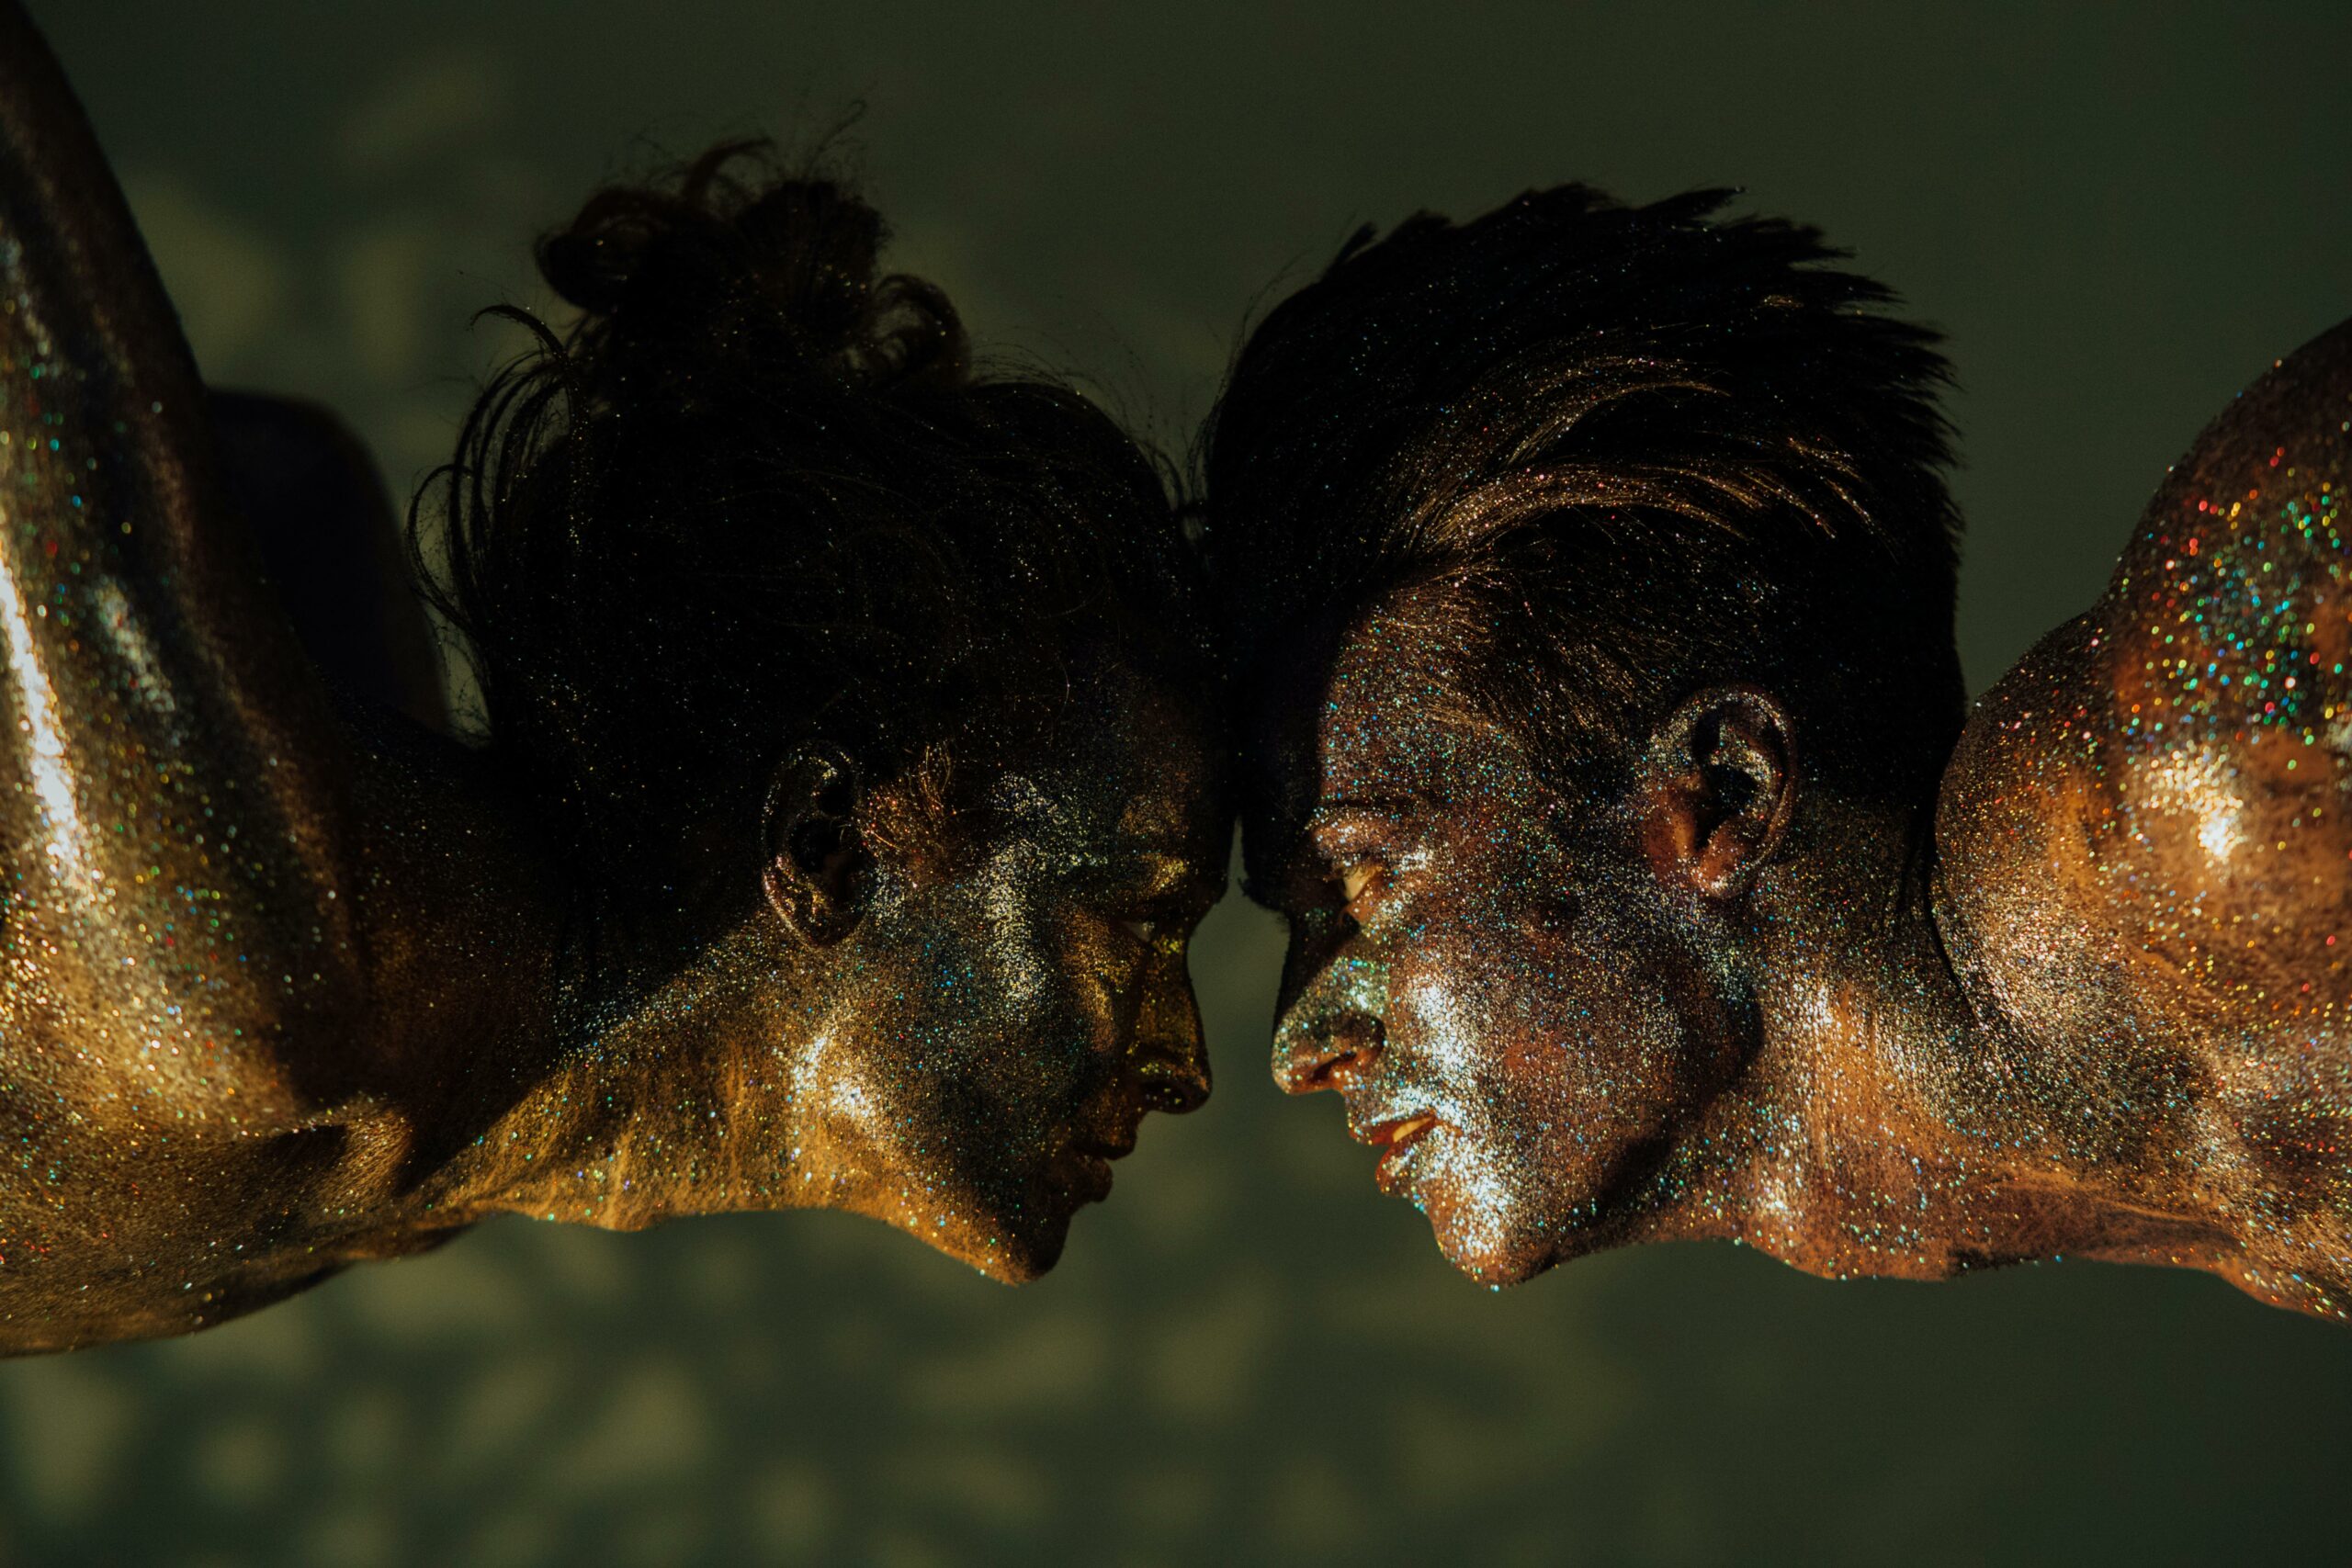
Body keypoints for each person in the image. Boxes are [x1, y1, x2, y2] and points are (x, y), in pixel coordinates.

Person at [0, 3, 1225, 1354]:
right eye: (1136, 916)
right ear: (825, 839)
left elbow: (290, 483)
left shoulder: (408, 1108)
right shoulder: (257, 972)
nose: (1187, 1064)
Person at [1205, 184, 2352, 1320]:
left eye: (1361, 884)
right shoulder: (2204, 1164)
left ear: (1720, 792)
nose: (1296, 1044)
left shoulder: (2215, 767)